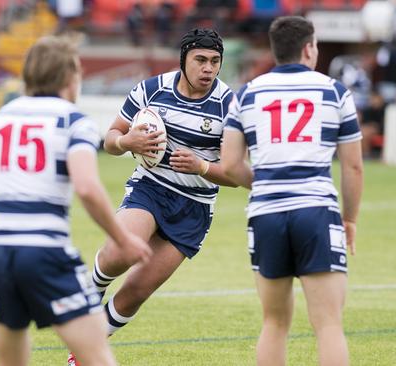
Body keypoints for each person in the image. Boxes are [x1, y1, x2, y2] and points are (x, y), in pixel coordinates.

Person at [0, 35, 151, 366]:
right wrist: (123, 239)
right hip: (44, 250)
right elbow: (86, 188)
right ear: (69, 77)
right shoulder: (73, 121)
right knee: (96, 356)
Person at [67, 27, 237, 366]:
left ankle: (84, 354)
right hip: (151, 188)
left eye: (215, 61)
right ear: (183, 60)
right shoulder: (151, 90)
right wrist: (126, 142)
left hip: (194, 208)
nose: (208, 69)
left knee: (136, 292)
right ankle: (92, 287)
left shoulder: (229, 105)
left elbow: (237, 174)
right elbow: (111, 138)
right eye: (200, 60)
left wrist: (202, 166)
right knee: (120, 252)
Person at [221, 16, 363, 366]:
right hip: (316, 210)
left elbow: (230, 165)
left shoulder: (248, 93)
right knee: (328, 324)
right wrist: (350, 219)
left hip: (265, 214)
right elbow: (354, 166)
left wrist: (269, 182)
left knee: (274, 323)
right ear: (309, 48)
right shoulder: (334, 91)